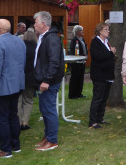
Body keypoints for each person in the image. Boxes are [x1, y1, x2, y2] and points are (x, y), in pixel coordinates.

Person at [0, 19, 26, 159]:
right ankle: (15, 145)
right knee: (13, 115)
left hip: (3, 87)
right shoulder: (19, 41)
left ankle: (5, 149)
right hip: (16, 85)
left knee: (2, 117)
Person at [33, 11, 66, 151]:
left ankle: (52, 140)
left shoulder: (51, 38)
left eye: (35, 22)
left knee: (49, 110)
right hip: (45, 80)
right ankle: (48, 136)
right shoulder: (45, 37)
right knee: (45, 109)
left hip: (49, 81)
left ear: (43, 23)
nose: (34, 25)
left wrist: (47, 80)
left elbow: (54, 62)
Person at [88, 22, 116, 129]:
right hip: (99, 74)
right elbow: (98, 56)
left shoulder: (107, 42)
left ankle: (100, 118)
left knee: (104, 98)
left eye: (108, 30)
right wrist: (111, 53)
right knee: (98, 97)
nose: (108, 31)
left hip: (108, 74)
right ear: (100, 31)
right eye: (105, 30)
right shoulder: (95, 42)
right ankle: (92, 121)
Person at [18, 28, 38, 130]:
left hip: (20, 76)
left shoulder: (20, 47)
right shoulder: (37, 47)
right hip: (31, 78)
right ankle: (25, 122)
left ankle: (18, 122)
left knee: (19, 100)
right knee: (28, 100)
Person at [68, 25, 87, 99]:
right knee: (75, 77)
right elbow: (73, 51)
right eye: (81, 30)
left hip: (82, 61)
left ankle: (79, 93)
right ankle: (72, 94)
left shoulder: (82, 39)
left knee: (81, 77)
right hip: (76, 62)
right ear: (77, 32)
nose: (83, 32)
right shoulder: (74, 40)